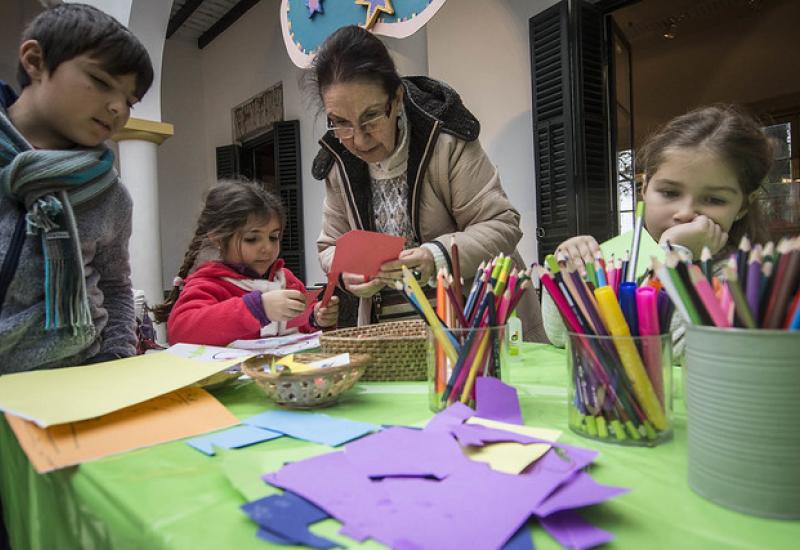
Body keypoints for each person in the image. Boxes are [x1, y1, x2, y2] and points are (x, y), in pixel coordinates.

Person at [309, 25, 546, 342]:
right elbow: (329, 248)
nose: (360, 139)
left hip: (473, 325)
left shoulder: (446, 140)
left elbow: (502, 224)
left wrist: (436, 255)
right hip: (392, 336)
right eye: (341, 122)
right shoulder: (338, 161)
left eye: (371, 117)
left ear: (396, 99)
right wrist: (350, 273)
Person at [542, 104, 773, 351]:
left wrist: (675, 254)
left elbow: (678, 349)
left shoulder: (744, 276)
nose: (685, 213)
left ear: (742, 207)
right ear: (644, 188)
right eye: (670, 192)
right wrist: (566, 272)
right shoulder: (618, 255)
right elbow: (561, 337)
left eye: (714, 200)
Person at [0, 3, 154, 374]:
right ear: (35, 61)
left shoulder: (110, 193)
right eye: (101, 82)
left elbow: (116, 285)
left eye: (130, 101)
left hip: (81, 375)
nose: (117, 107)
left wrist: (116, 357)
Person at [154, 180, 339, 346]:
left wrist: (316, 318)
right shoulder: (207, 285)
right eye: (252, 239)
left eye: (273, 237)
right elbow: (181, 332)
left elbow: (300, 327)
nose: (266, 248)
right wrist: (257, 308)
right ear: (218, 239)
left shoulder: (287, 280)